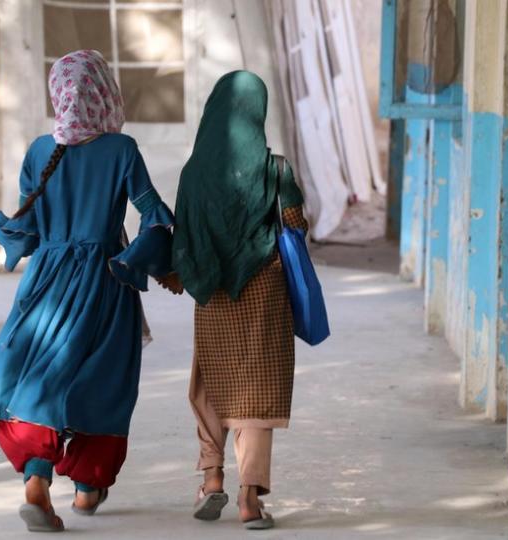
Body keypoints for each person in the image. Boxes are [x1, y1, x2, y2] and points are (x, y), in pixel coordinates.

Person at [0, 50, 180, 533]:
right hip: (105, 280)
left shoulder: (40, 150)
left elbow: (30, 226)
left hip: (45, 281)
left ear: (57, 94)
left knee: (40, 374)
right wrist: (147, 261)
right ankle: (87, 485)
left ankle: (36, 478)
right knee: (103, 379)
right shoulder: (122, 149)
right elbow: (153, 213)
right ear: (105, 91)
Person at [171, 70, 308, 531]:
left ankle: (212, 477)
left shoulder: (193, 173)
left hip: (213, 292)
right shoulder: (277, 171)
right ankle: (250, 498)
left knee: (211, 379)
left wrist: (190, 273)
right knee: (257, 389)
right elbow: (295, 224)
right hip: (264, 290)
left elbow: (183, 235)